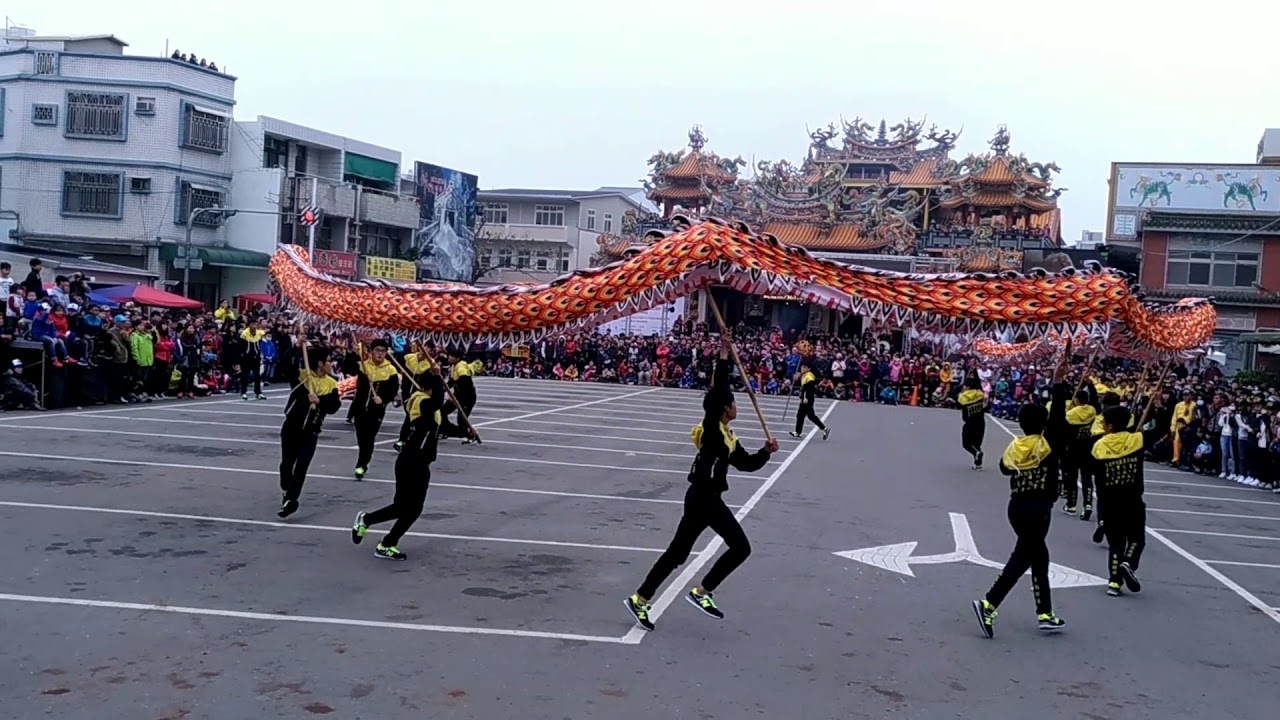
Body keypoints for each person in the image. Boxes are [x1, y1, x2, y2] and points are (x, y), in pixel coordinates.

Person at [625, 336, 778, 631]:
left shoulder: (728, 436)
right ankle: (703, 592)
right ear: (724, 407)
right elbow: (718, 389)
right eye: (733, 403)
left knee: (677, 553)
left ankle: (640, 598)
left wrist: (765, 452)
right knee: (741, 547)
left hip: (701, 498)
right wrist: (723, 355)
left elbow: (746, 464)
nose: (736, 407)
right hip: (704, 498)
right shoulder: (711, 429)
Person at [972, 349, 1070, 638]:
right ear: (1044, 423)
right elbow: (1060, 414)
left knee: (1039, 557)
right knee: (1023, 558)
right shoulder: (1047, 444)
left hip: (1016, 508)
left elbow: (1004, 469)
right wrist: (1058, 381)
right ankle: (989, 603)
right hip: (1039, 510)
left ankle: (1045, 613)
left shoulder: (1016, 447)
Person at [351, 362, 445, 560]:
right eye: (438, 385)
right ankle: (369, 524)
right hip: (410, 461)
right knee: (404, 507)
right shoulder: (420, 401)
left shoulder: (430, 406)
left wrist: (466, 432)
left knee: (413, 509)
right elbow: (436, 402)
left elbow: (441, 425)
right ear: (430, 386)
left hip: (421, 462)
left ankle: (383, 539)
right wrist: (437, 377)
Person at [278, 345, 341, 518]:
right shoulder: (302, 377)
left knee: (302, 466)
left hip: (311, 431)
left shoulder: (331, 383)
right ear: (320, 363)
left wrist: (319, 400)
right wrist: (295, 347)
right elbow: (283, 365)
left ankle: (291, 499)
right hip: (292, 428)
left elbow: (334, 406)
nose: (331, 364)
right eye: (329, 361)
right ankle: (286, 488)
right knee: (287, 464)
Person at [1092, 404, 1148, 597]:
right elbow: (1162, 429)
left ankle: (1114, 583)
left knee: (1115, 543)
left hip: (1109, 502)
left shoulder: (1098, 446)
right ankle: (1128, 563)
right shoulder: (1137, 440)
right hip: (1132, 500)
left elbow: (1096, 475)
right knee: (1137, 539)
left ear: (1109, 426)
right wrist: (1157, 407)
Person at [341, 338, 400, 479]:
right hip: (360, 409)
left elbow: (393, 390)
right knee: (362, 438)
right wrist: (352, 353)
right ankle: (363, 458)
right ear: (371, 352)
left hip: (377, 410)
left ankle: (361, 464)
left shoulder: (390, 369)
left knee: (370, 438)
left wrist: (383, 400)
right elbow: (346, 368)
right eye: (377, 350)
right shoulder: (363, 365)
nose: (380, 354)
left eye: (383, 351)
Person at [1061, 389, 1098, 518]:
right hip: (1088, 447)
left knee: (1072, 477)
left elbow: (1064, 433)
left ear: (1076, 400)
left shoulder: (1070, 415)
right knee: (1087, 477)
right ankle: (1088, 504)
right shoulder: (1092, 411)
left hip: (1072, 448)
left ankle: (1071, 505)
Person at [440, 347, 480, 445]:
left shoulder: (461, 368)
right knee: (442, 412)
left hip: (467, 397)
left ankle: (471, 435)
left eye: (451, 356)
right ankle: (444, 430)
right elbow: (451, 382)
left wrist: (455, 398)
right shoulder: (454, 366)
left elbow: (465, 386)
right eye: (449, 355)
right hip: (457, 395)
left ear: (458, 358)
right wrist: (442, 389)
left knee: (462, 419)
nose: (449, 358)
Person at [789, 361, 831, 440]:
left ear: (809, 369)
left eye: (805, 367)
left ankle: (824, 428)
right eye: (802, 367)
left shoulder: (809, 377)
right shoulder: (804, 375)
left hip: (807, 399)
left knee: (811, 416)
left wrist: (806, 398)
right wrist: (796, 378)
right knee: (800, 416)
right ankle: (798, 432)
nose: (803, 368)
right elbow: (802, 387)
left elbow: (809, 389)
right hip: (804, 399)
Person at [957, 372, 987, 469]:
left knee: (966, 443)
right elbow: (978, 384)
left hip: (970, 423)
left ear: (968, 387)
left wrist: (960, 390)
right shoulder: (980, 394)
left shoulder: (964, 397)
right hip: (981, 422)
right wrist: (975, 372)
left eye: (965, 386)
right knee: (976, 443)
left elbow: (956, 396)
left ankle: (976, 453)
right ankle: (978, 464)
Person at [239, 319, 268, 400]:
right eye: (252, 324)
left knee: (257, 375)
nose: (254, 326)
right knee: (245, 375)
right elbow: (240, 346)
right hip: (246, 357)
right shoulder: (244, 334)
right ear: (249, 325)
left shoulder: (259, 333)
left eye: (255, 324)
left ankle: (258, 392)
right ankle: (243, 392)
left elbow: (266, 333)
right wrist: (242, 356)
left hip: (256, 356)